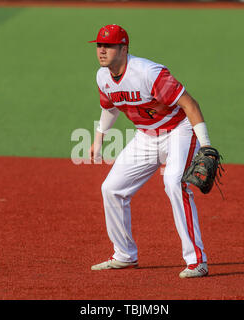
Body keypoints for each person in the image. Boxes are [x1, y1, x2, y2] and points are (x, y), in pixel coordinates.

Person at [88, 24, 214, 278]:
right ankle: (124, 255)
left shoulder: (148, 72)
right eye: (100, 45)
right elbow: (110, 107)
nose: (102, 51)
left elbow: (189, 104)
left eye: (109, 46)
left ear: (124, 48)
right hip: (145, 137)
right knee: (111, 188)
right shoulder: (103, 77)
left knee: (174, 183)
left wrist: (206, 145)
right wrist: (99, 138)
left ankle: (196, 260)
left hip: (179, 130)